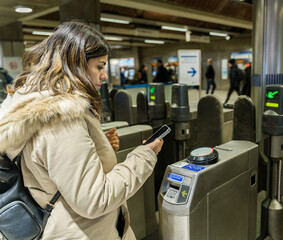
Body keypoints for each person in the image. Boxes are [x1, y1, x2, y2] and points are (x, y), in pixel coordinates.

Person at [0, 21, 164, 240]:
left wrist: (95, 147)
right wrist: (144, 155)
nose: (104, 75)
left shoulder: (29, 102)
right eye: (99, 66)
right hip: (80, 232)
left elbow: (48, 165)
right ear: (75, 63)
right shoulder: (61, 119)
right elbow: (96, 199)